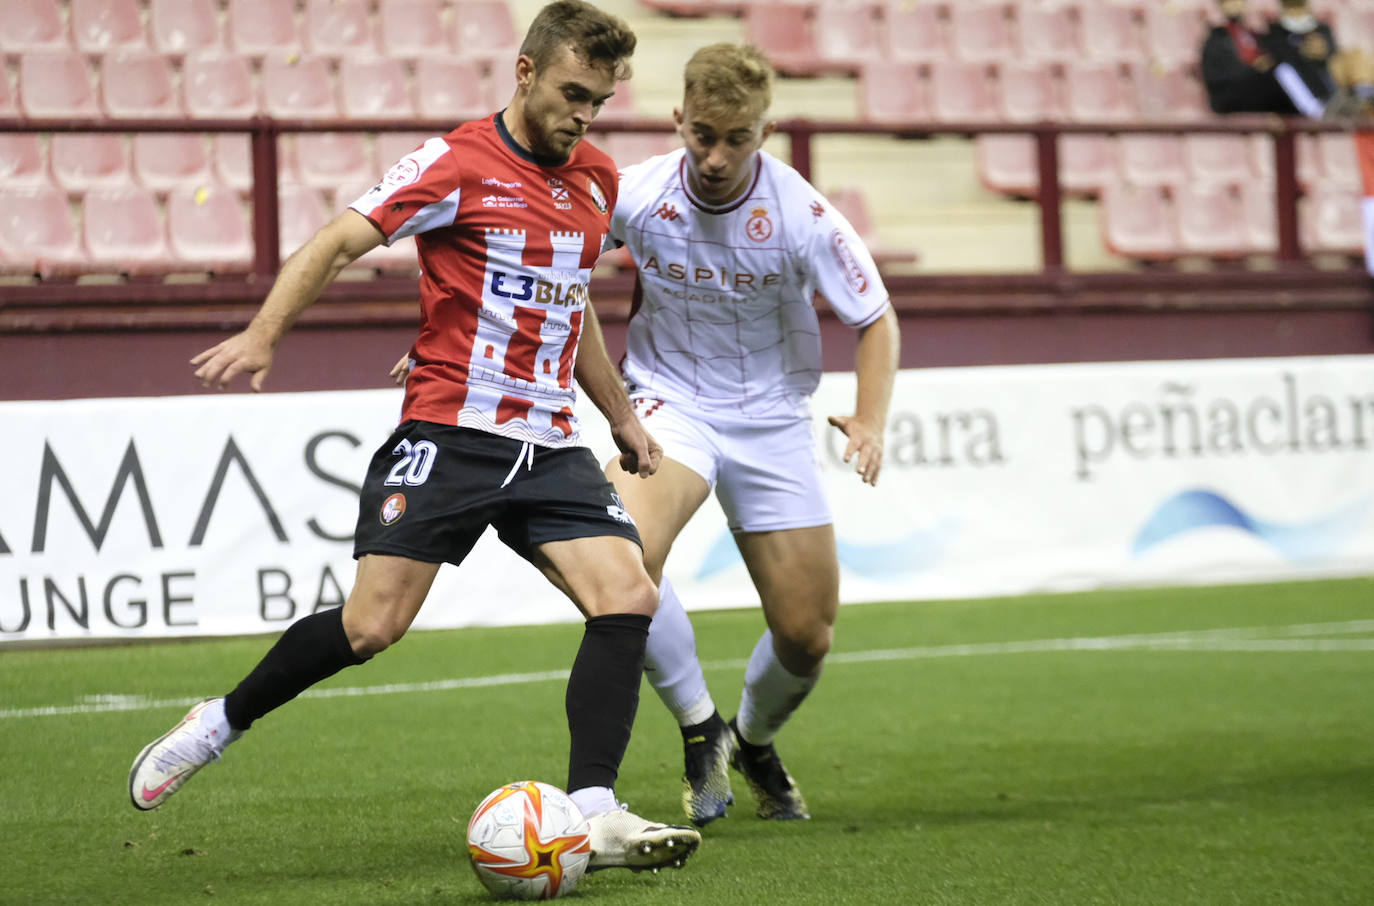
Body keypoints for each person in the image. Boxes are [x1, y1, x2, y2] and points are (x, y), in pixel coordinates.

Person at [127, 0, 702, 874]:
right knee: (372, 626)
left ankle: (595, 809)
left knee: (627, 595)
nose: (583, 115)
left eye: (599, 101)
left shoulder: (595, 178)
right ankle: (221, 721)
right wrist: (265, 333)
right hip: (451, 430)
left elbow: (569, 298)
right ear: (526, 71)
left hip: (546, 442)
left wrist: (620, 416)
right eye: (573, 93)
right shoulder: (455, 159)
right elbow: (337, 239)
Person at [603, 43, 899, 827]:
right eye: (703, 134)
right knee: (616, 555)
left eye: (737, 139)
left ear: (765, 131)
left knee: (807, 635)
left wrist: (869, 418)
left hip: (771, 419)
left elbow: (875, 319)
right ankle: (701, 727)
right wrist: (462, 325)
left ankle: (753, 740)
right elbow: (544, 260)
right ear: (679, 120)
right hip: (672, 405)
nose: (716, 156)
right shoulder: (635, 194)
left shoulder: (801, 215)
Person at [1201, 0, 1289, 114]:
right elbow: (1217, 79)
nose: (1235, 5)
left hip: (1260, 93)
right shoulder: (1216, 40)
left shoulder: (1253, 35)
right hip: (1233, 98)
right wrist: (1254, 70)